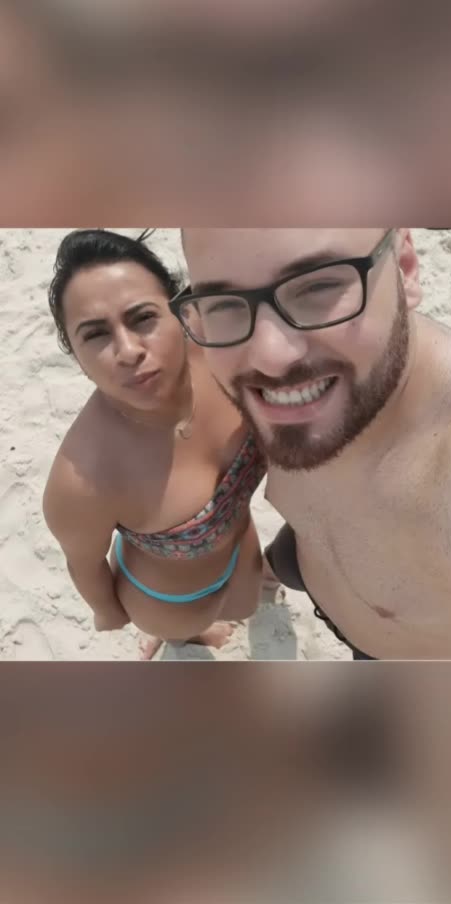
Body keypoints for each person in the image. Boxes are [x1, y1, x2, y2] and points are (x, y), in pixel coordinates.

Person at [177, 228, 451, 659]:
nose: (270, 357)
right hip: (311, 559)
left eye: (317, 286)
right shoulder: (225, 360)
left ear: (405, 267)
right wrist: (167, 614)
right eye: (224, 303)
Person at [43, 229, 278, 660]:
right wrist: (107, 613)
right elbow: (85, 565)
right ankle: (187, 639)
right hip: (170, 600)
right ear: (78, 357)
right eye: (95, 334)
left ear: (180, 312)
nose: (128, 350)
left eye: (142, 318)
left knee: (246, 606)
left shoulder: (221, 352)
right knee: (186, 635)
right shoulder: (83, 481)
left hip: (243, 545)